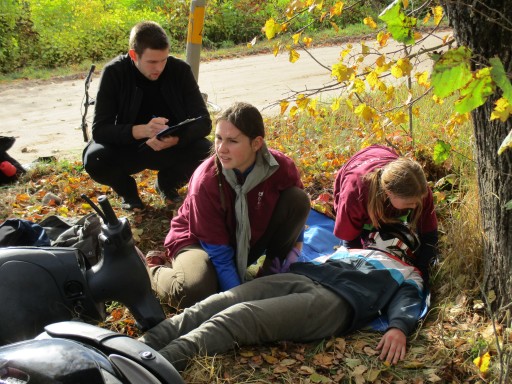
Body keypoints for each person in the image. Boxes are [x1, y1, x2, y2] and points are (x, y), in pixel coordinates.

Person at [139, 223, 426, 371]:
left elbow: (409, 300)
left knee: (240, 317)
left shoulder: (408, 271)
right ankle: (140, 346)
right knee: (221, 301)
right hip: (303, 277)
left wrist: (398, 327)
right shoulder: (350, 250)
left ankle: (152, 365)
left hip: (334, 302)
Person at [148, 102, 310, 309]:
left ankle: (269, 275)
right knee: (195, 291)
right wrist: (240, 301)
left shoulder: (280, 167)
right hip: (199, 243)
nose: (221, 149)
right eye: (218, 138)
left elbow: (298, 208)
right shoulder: (205, 181)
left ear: (256, 143)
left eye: (232, 141)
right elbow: (220, 254)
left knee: (298, 198)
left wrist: (295, 247)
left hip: (246, 237)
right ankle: (149, 270)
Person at [82, 21, 212, 210]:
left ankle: (167, 184)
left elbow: (204, 122)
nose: (158, 68)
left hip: (171, 145)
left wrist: (176, 138)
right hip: (131, 147)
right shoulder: (114, 73)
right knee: (95, 159)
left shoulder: (180, 70)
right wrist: (141, 131)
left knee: (210, 152)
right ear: (134, 55)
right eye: (152, 62)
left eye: (163, 60)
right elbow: (100, 130)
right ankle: (129, 194)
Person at [333, 144, 438, 284]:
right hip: (357, 176)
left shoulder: (419, 189)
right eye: (409, 204)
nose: (415, 205)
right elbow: (350, 241)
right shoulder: (354, 193)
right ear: (389, 193)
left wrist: (423, 271)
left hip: (383, 158)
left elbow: (429, 235)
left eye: (418, 202)